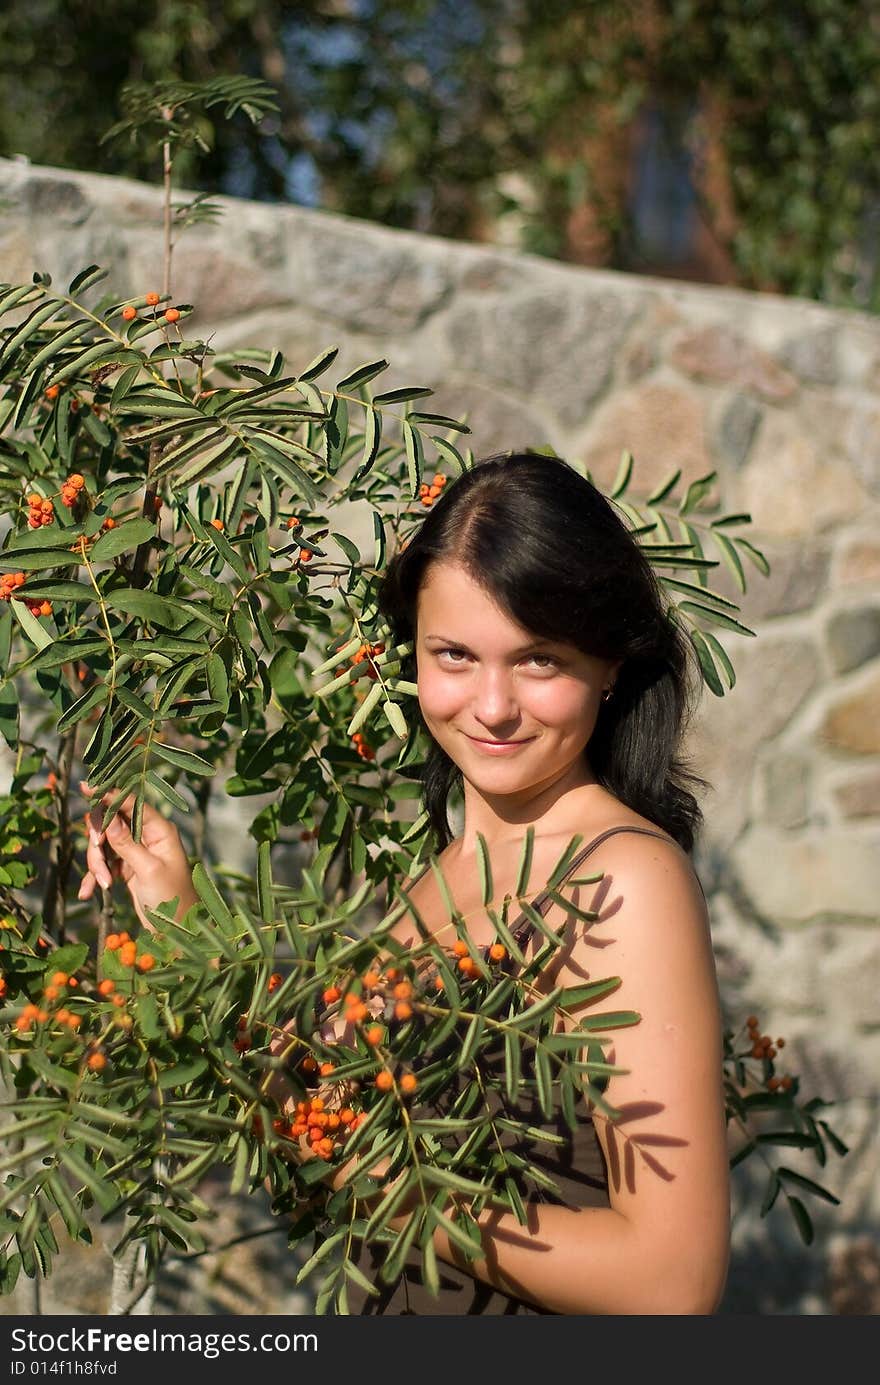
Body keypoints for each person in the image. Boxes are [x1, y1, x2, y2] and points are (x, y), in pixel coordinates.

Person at [78, 450, 731, 1315]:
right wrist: (180, 922)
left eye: (538, 661)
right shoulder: (444, 874)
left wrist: (389, 1176)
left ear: (610, 663)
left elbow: (670, 1284)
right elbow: (322, 1137)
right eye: (455, 654)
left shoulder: (621, 881)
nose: (492, 705)